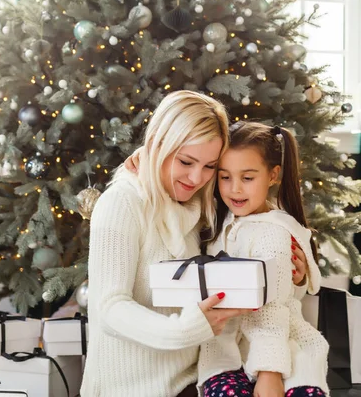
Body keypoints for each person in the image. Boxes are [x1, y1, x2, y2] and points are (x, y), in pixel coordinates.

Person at [81, 90, 251, 397]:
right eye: (186, 161)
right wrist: (184, 329)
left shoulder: (197, 203)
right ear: (157, 143)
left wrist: (298, 268)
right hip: (128, 389)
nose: (197, 177)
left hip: (191, 381)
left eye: (210, 166)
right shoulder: (121, 202)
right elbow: (109, 307)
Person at [197, 121, 328, 397]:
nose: (234, 189)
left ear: (273, 175)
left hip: (280, 349)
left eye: (247, 178)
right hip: (225, 350)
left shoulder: (273, 232)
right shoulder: (216, 219)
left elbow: (273, 309)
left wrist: (270, 373)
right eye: (224, 177)